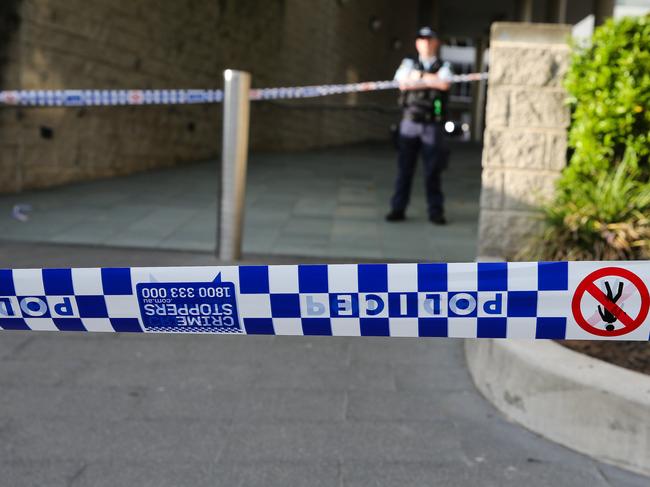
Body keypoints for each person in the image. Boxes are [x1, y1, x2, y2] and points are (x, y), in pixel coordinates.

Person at [386, 26, 452, 225]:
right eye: (421, 39)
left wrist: (419, 77)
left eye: (428, 39)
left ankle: (435, 211)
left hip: (432, 125)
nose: (424, 43)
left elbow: (445, 84)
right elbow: (402, 83)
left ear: (435, 42)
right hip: (410, 122)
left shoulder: (444, 64)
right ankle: (398, 208)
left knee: (433, 170)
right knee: (404, 169)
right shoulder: (408, 62)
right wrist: (431, 79)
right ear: (417, 43)